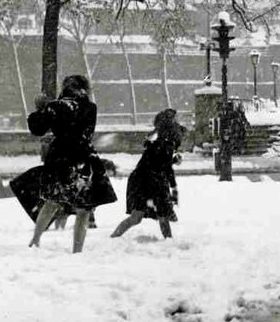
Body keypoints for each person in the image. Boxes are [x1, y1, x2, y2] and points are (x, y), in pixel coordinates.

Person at [26, 74, 116, 252]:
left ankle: (35, 239)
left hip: (59, 157)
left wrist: (40, 109)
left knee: (52, 201)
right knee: (84, 209)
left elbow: (37, 129)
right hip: (83, 159)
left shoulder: (55, 106)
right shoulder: (90, 107)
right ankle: (77, 250)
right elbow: (85, 132)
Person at [111, 109, 184, 240]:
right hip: (146, 180)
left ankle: (114, 237)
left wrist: (171, 161)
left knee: (138, 217)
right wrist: (172, 187)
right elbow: (163, 166)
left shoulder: (159, 140)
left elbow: (158, 162)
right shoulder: (165, 142)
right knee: (159, 215)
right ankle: (169, 241)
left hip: (144, 179)